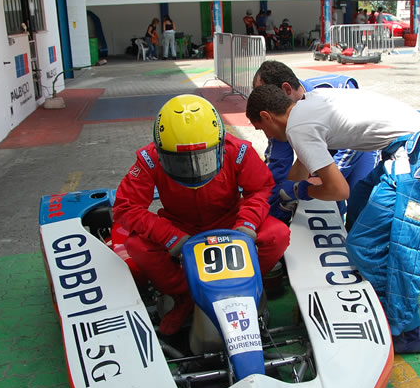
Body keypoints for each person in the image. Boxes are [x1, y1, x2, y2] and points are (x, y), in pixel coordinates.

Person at [245, 85, 420, 354]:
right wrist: (285, 192)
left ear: (266, 116)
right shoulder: (309, 105)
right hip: (405, 152)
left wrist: (300, 191)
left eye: (261, 129)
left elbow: (338, 190)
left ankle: (407, 332)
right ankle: (381, 299)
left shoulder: (298, 127)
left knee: (406, 250)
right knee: (361, 236)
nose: (267, 135)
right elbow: (303, 166)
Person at [113, 95, 290, 335]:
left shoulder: (238, 150)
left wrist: (246, 223)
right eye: (181, 162)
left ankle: (246, 287)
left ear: (218, 143)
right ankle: (184, 295)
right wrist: (170, 237)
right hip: (179, 228)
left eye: (203, 158)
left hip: (230, 222)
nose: (194, 168)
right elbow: (125, 206)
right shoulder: (149, 159)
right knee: (137, 246)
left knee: (278, 234)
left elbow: (260, 187)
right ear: (161, 149)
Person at [252, 60, 376, 224]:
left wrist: (322, 181)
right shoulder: (275, 116)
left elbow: (356, 138)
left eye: (269, 96)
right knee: (323, 198)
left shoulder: (335, 88)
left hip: (357, 149)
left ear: (286, 89)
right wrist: (272, 216)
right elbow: (276, 169)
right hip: (319, 158)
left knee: (360, 211)